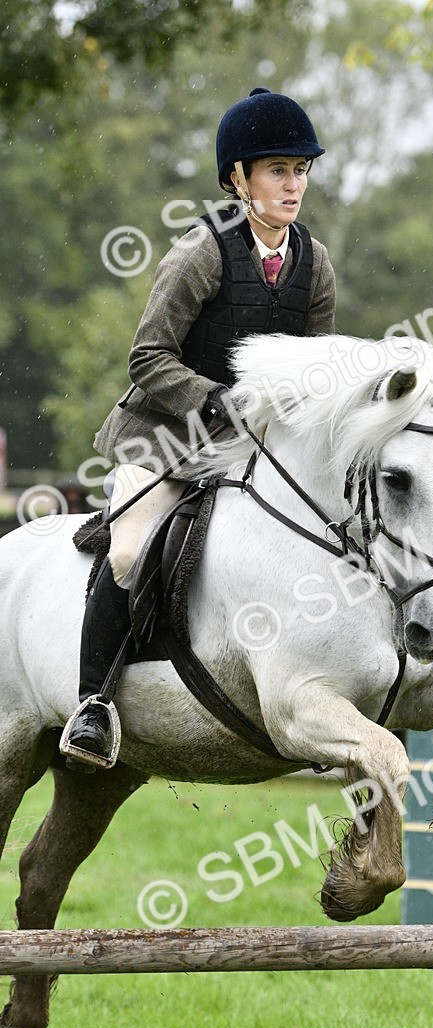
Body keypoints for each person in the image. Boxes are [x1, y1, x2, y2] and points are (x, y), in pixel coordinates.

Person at [61, 87, 336, 771]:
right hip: (163, 436)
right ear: (237, 178)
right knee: (128, 550)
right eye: (277, 170)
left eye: (300, 170)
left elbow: (315, 372)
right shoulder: (200, 254)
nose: (293, 184)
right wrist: (216, 401)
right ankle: (91, 705)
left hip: (249, 448)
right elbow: (147, 358)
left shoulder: (316, 265)